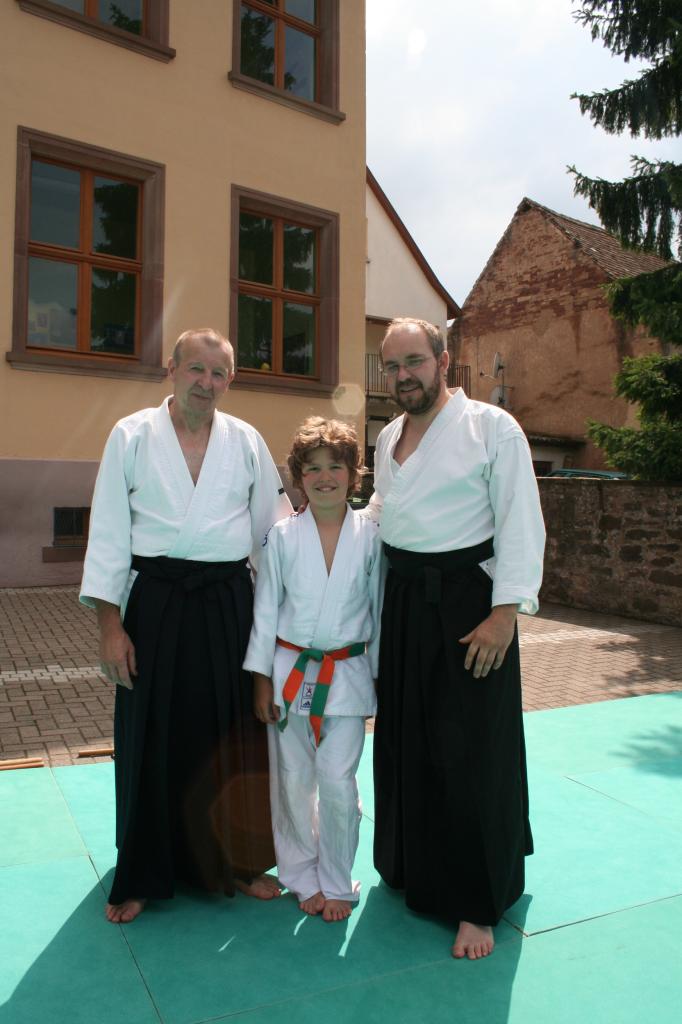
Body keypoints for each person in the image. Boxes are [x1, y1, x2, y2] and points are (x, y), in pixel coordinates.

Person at [80, 327, 292, 924]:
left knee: (231, 734)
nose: (206, 382)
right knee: (150, 733)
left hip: (228, 601)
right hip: (157, 604)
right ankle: (145, 870)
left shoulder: (246, 441)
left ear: (231, 380)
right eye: (195, 369)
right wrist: (110, 627)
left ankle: (238, 864)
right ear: (170, 370)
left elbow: (270, 538)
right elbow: (108, 535)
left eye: (218, 372)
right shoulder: (131, 435)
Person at [367, 317, 545, 960]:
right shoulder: (388, 437)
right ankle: (409, 867)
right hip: (406, 602)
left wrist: (506, 614)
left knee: (471, 749)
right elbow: (386, 515)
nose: (403, 375)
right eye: (392, 366)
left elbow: (520, 521)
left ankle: (476, 901)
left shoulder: (493, 429)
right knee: (408, 739)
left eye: (414, 361)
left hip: (471, 603)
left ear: (444, 361)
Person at [244, 418, 383, 922]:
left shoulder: (372, 536)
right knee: (294, 779)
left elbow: (379, 608)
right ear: (298, 477)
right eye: (314, 468)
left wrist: (380, 677)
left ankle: (337, 879)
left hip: (347, 674)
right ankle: (301, 875)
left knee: (339, 782)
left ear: (354, 474)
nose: (325, 477)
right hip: (289, 673)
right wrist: (261, 676)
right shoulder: (280, 537)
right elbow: (265, 607)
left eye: (336, 467)